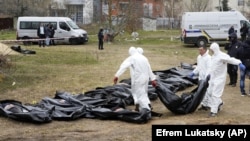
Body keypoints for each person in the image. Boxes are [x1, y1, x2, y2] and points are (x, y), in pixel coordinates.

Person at [203, 42, 245, 117]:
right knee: (209, 92)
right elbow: (212, 67)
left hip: (219, 78)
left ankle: (213, 112)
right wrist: (208, 74)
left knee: (215, 94)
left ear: (215, 49)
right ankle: (219, 102)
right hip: (213, 78)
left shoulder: (222, 56)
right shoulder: (213, 56)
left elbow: (231, 60)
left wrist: (239, 63)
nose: (211, 51)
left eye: (212, 50)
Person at [113, 47, 157, 112]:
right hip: (146, 78)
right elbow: (149, 69)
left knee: (139, 94)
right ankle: (147, 104)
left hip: (139, 78)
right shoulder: (144, 58)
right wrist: (153, 79)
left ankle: (146, 110)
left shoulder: (132, 58)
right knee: (144, 92)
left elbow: (124, 66)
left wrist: (117, 75)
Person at [189, 45, 211, 111]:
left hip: (206, 79)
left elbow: (209, 68)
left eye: (201, 50)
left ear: (204, 50)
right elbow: (198, 67)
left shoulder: (208, 58)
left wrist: (206, 78)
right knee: (201, 92)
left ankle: (208, 105)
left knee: (207, 92)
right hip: (200, 78)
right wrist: (194, 72)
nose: (199, 51)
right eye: (199, 50)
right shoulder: (199, 57)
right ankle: (203, 105)